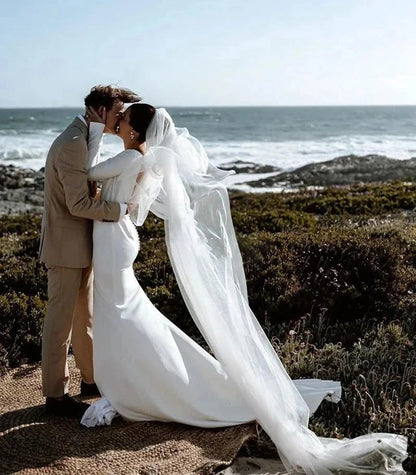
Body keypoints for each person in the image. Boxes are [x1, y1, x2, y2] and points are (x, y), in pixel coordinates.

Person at [81, 104, 407, 473]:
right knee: (126, 311)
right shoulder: (142, 159)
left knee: (123, 311)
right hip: (117, 238)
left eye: (122, 120)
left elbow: (87, 173)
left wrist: (93, 130)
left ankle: (147, 382)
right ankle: (143, 378)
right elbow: (133, 207)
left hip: (113, 242)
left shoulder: (128, 158)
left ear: (136, 132)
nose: (117, 121)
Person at [39, 85, 141, 418]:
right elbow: (78, 203)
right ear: (98, 111)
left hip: (83, 244)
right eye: (116, 113)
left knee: (85, 317)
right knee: (60, 324)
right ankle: (55, 395)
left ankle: (90, 380)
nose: (119, 119)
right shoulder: (71, 145)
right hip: (65, 247)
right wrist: (120, 209)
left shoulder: (87, 138)